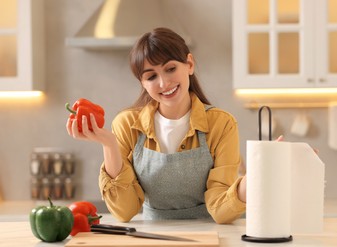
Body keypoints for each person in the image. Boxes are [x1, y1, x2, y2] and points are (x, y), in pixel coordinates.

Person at [66, 27, 246, 223]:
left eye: (171, 69)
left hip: (211, 237)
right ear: (142, 82)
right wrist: (109, 144)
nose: (164, 83)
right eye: (151, 76)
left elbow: (221, 210)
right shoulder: (127, 124)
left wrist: (252, 181)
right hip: (153, 236)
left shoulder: (222, 124)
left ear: (189, 64)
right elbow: (124, 212)